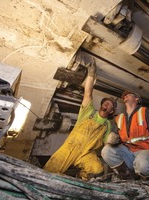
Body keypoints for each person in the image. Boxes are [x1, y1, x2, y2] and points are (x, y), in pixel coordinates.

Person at [43, 51, 117, 180]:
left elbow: (106, 144)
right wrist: (91, 72)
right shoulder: (88, 112)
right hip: (71, 147)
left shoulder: (107, 125)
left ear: (111, 111)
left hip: (87, 153)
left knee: (97, 170)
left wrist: (112, 143)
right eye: (105, 102)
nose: (106, 104)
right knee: (49, 174)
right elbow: (88, 93)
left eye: (109, 104)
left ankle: (81, 181)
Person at [101, 90, 149, 180]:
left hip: (145, 151)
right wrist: (112, 140)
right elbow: (115, 138)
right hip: (129, 153)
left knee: (143, 167)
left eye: (128, 95)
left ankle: (146, 179)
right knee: (106, 151)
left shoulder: (144, 112)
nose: (125, 96)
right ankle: (127, 176)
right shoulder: (119, 118)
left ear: (137, 98)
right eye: (124, 96)